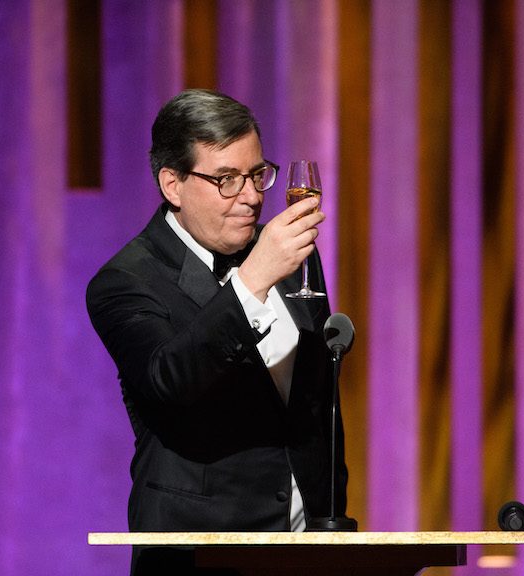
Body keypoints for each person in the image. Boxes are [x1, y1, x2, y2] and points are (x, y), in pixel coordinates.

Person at [86, 89, 351, 574]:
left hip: (308, 543)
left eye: (257, 174)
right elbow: (169, 379)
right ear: (173, 184)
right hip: (197, 552)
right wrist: (251, 282)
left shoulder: (291, 257)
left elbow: (317, 403)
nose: (251, 196)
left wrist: (333, 519)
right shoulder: (125, 280)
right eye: (226, 180)